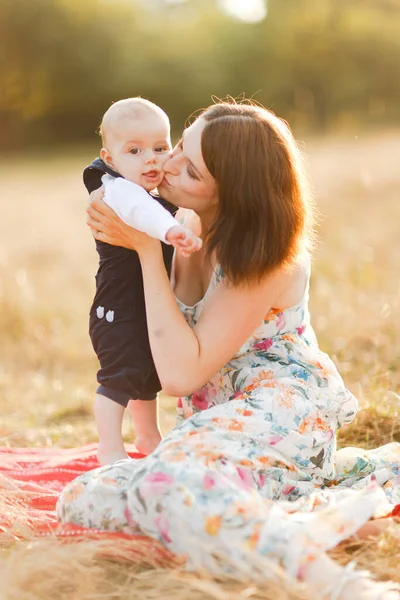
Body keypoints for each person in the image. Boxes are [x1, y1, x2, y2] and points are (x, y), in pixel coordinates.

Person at [57, 100, 399, 599]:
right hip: (218, 425)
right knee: (83, 497)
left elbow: (178, 375)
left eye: (190, 168)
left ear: (232, 194)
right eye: (179, 146)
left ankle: (336, 584)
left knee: (164, 485)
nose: (166, 164)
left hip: (282, 412)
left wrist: (148, 253)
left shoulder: (269, 259)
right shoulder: (185, 227)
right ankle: (308, 521)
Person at [84, 97, 201, 465]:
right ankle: (109, 447)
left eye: (160, 147)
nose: (150, 158)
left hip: (141, 303)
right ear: (111, 158)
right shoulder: (118, 190)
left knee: (146, 372)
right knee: (120, 376)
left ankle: (148, 436)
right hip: (117, 308)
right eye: (134, 150)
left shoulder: (146, 190)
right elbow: (142, 213)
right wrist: (171, 231)